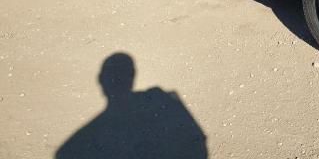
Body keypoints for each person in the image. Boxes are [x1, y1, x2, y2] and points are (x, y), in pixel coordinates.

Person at [56, 53, 208, 159]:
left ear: (101, 80)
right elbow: (196, 144)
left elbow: (196, 144)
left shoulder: (82, 142)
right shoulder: (161, 102)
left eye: (118, 76)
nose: (116, 81)